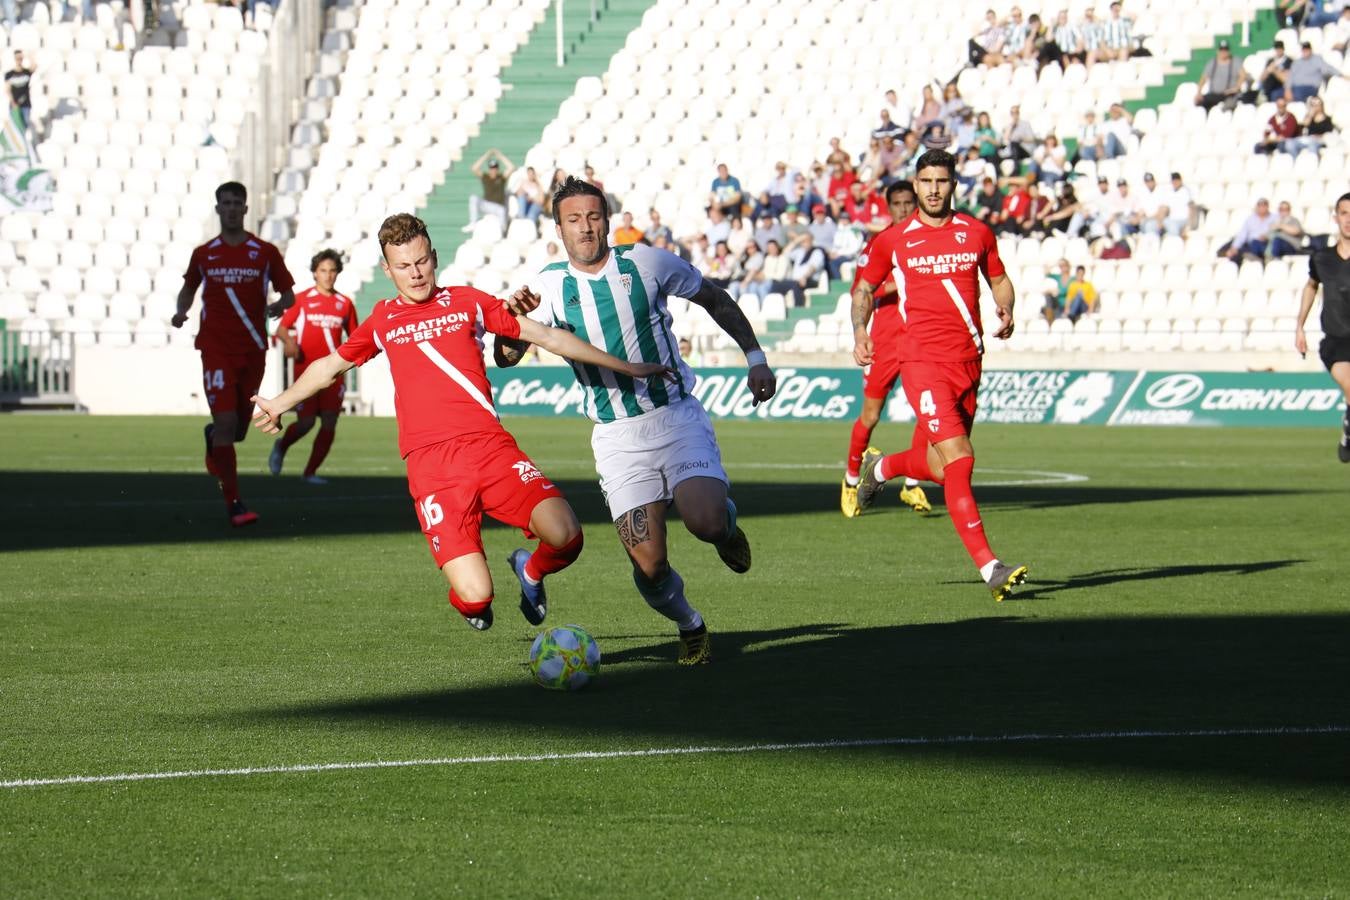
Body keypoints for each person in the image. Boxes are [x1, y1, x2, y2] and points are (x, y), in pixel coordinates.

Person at [252, 213, 672, 631]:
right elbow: (329, 366)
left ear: (433, 256)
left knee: (568, 535)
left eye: (421, 262)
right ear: (387, 269)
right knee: (476, 598)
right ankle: (474, 605)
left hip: (490, 449)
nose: (415, 274)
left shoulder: (468, 301)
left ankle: (530, 572)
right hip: (432, 468)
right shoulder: (382, 319)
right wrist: (279, 403)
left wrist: (625, 366)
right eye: (403, 266)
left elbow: (545, 336)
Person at [494, 177, 778, 665]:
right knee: (649, 564)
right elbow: (505, 357)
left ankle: (726, 529)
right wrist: (512, 330)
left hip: (674, 417)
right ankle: (690, 625)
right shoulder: (547, 287)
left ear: (606, 219)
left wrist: (755, 357)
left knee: (706, 521)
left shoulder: (646, 261)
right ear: (559, 230)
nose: (585, 228)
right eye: (573, 220)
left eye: (593, 216)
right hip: (617, 438)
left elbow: (714, 298)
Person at [851, 149, 1027, 601]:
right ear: (916, 183)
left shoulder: (977, 232)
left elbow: (999, 278)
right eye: (926, 181)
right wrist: (860, 330)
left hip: (969, 361)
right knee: (960, 459)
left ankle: (883, 466)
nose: (933, 190)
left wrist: (1006, 307)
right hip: (922, 363)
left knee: (936, 466)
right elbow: (865, 287)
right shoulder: (894, 239)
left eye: (941, 182)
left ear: (953, 185)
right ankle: (990, 567)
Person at [171, 182, 296, 527]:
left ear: (244, 209)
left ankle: (213, 440)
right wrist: (181, 312)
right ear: (218, 209)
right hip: (215, 349)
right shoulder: (204, 253)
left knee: (238, 430)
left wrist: (277, 306)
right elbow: (188, 289)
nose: (230, 208)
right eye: (224, 203)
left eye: (236, 203)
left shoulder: (265, 252)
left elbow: (289, 295)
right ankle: (235, 504)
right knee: (227, 423)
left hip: (253, 350)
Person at [840, 180, 932, 519]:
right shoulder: (881, 243)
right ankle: (851, 481)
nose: (905, 209)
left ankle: (910, 484)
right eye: (898, 204)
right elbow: (861, 290)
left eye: (910, 202)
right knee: (871, 415)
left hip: (921, 342)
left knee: (928, 412)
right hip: (886, 343)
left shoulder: (930, 240)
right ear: (889, 207)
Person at [269, 249, 359, 484]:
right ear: (314, 274)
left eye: (332, 271)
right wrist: (289, 342)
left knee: (330, 421)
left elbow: (356, 338)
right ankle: (282, 445)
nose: (328, 276)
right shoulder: (302, 300)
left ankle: (310, 472)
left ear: (337, 273)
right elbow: (280, 328)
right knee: (306, 423)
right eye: (323, 271)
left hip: (334, 373)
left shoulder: (345, 304)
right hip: (306, 373)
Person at [1294, 192, 1350, 461]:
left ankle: (1348, 429)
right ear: (1336, 217)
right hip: (1337, 341)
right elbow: (1311, 285)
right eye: (1344, 213)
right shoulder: (1321, 258)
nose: (1349, 220)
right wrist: (1300, 326)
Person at [466, 149, 514, 231]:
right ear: (489, 169)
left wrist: (499, 156)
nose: (493, 170)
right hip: (487, 205)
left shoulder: (501, 178)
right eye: (491, 168)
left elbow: (511, 167)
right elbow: (474, 168)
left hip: (498, 206)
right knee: (473, 198)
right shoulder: (486, 177)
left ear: (497, 169)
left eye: (495, 168)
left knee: (502, 211)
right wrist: (486, 156)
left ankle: (503, 230)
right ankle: (473, 223)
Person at [1196, 41, 1251, 111]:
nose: (1223, 52)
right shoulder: (1212, 63)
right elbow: (1203, 78)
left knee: (1228, 106)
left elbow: (1243, 75)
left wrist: (1236, 88)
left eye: (1225, 50)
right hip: (1214, 94)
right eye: (1221, 50)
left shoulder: (1235, 62)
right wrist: (1199, 92)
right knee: (1200, 104)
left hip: (1229, 94)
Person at [5, 50, 34, 136]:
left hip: (26, 105)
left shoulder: (26, 72)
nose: (19, 60)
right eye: (17, 58)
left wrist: (29, 56)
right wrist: (13, 102)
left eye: (20, 58)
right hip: (14, 105)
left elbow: (35, 66)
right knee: (15, 127)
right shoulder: (9, 74)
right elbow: (7, 90)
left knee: (24, 127)